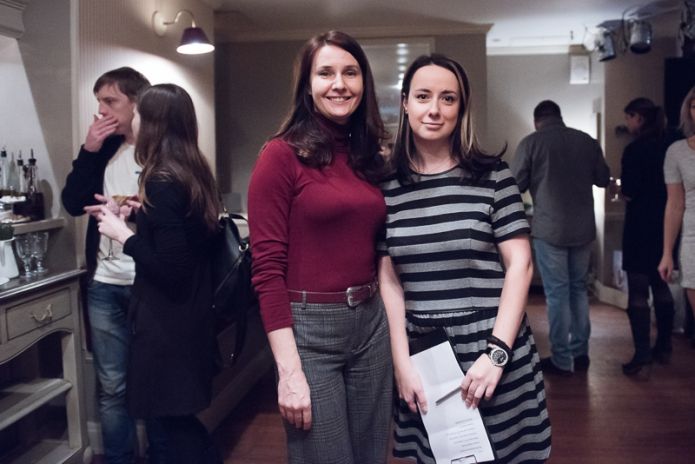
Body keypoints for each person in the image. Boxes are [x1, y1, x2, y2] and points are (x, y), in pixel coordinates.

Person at [379, 53, 551, 464]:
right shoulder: (385, 187)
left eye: (448, 98)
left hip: (491, 349)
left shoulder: (494, 177)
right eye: (423, 96)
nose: (434, 109)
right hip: (425, 356)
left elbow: (521, 265)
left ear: (461, 107)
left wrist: (497, 355)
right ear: (405, 104)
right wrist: (401, 363)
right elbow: (389, 280)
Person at [247, 30, 393, 464]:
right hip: (309, 330)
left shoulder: (370, 158)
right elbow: (266, 270)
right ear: (307, 85)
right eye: (325, 73)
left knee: (371, 457)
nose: (339, 84)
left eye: (351, 72)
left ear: (364, 82)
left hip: (372, 323)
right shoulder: (280, 155)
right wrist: (288, 372)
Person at [97, 83, 221, 463]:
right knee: (177, 422)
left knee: (173, 426)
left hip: (168, 323)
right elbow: (186, 237)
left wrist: (122, 235)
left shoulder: (161, 179)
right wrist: (143, 215)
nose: (134, 120)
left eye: (138, 114)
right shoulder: (192, 170)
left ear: (153, 123)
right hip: (190, 316)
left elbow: (172, 269)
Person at [61, 66, 153, 464]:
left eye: (110, 101)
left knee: (155, 381)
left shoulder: (160, 149)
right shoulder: (103, 150)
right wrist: (89, 150)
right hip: (103, 284)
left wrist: (138, 209)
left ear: (136, 102)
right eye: (98, 102)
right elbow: (72, 203)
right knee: (112, 387)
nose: (101, 111)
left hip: (150, 283)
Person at [511, 100, 610, 376]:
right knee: (578, 290)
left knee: (557, 294)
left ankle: (562, 359)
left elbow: (514, 185)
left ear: (536, 121)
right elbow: (603, 178)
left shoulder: (531, 143)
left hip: (550, 229)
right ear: (560, 116)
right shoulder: (587, 141)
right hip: (583, 229)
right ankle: (580, 353)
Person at [620, 98, 675, 376]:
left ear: (639, 118)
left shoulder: (634, 150)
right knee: (662, 286)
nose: (628, 123)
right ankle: (664, 346)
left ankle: (642, 354)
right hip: (667, 224)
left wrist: (619, 192)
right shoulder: (671, 147)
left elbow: (629, 191)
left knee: (639, 292)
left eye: (629, 117)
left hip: (640, 225)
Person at [659, 85, 695, 343]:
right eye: (694, 106)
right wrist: (667, 253)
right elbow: (674, 204)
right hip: (692, 241)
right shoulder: (677, 151)